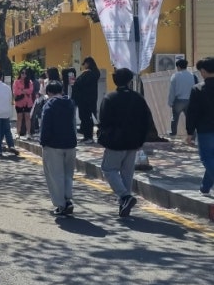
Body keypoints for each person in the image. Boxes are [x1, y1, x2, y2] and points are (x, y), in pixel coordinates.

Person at [97, 68, 154, 217]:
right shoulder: (138, 98)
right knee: (127, 173)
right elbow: (147, 120)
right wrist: (141, 139)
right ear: (129, 81)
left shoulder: (110, 98)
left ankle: (125, 196)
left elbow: (103, 121)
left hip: (115, 141)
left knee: (109, 169)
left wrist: (102, 136)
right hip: (134, 141)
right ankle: (124, 204)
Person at [39, 80, 77, 215]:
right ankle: (67, 199)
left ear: (49, 92)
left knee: (55, 176)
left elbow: (45, 126)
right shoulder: (70, 103)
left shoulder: (49, 105)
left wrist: (42, 142)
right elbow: (73, 125)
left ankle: (62, 204)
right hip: (70, 144)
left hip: (53, 145)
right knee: (68, 174)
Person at [185, 56, 214, 195]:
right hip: (206, 129)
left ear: (203, 71)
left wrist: (190, 132)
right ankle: (205, 187)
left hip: (205, 129)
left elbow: (192, 112)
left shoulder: (198, 89)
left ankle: (205, 187)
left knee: (207, 158)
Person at [0, 71, 18, 156]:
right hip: (6, 111)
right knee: (7, 130)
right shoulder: (7, 87)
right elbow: (10, 99)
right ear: (2, 77)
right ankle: (11, 145)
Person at [72, 57, 101, 143]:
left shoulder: (88, 73)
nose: (84, 66)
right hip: (90, 98)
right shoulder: (94, 73)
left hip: (85, 99)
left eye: (84, 64)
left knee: (86, 118)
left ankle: (88, 136)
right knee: (87, 117)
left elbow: (79, 83)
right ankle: (87, 136)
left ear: (88, 63)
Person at [168, 58, 197, 137]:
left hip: (179, 100)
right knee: (190, 118)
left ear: (178, 67)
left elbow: (172, 90)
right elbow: (196, 88)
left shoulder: (175, 76)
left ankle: (173, 133)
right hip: (190, 100)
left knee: (175, 118)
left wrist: (170, 102)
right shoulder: (192, 76)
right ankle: (192, 135)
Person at [12, 68, 35, 138]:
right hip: (19, 102)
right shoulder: (16, 82)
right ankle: (17, 133)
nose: (24, 75)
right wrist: (25, 91)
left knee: (27, 117)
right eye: (22, 73)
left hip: (28, 102)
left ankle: (28, 133)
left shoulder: (29, 82)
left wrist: (21, 90)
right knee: (19, 118)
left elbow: (31, 91)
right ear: (20, 73)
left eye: (25, 73)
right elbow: (15, 91)